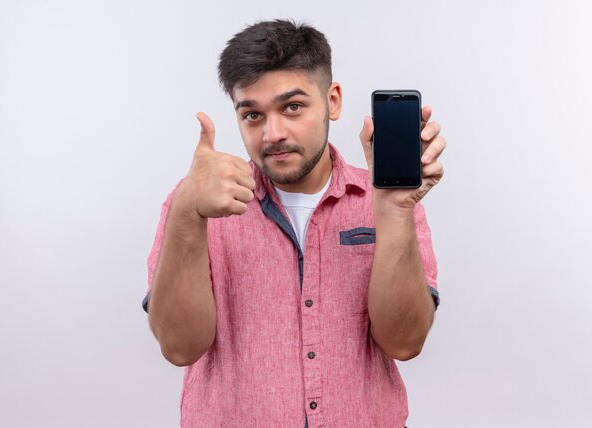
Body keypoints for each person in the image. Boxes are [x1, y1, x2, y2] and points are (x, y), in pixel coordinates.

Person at [142, 19, 445, 428]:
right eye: (252, 114)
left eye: (292, 107)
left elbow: (405, 343)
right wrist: (186, 213)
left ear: (332, 101)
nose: (273, 133)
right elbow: (179, 348)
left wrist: (392, 212)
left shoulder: (385, 201)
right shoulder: (195, 204)